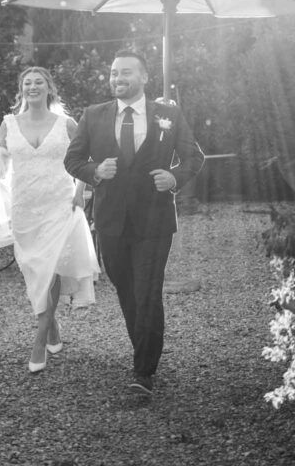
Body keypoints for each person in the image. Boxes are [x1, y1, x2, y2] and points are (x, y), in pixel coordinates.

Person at [64, 50, 204, 397]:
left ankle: (144, 370)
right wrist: (95, 172)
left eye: (125, 72)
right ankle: (143, 347)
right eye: (113, 73)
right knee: (126, 288)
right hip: (110, 221)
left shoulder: (168, 115)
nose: (117, 78)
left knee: (147, 291)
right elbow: (72, 159)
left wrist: (174, 178)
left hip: (154, 220)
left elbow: (194, 157)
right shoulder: (93, 115)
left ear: (143, 77)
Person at [0, 66, 99, 374]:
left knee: (51, 269)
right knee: (34, 271)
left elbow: (87, 160)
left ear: (49, 88)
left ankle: (40, 336)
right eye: (27, 83)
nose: (33, 86)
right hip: (25, 209)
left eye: (39, 82)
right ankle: (52, 324)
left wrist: (80, 191)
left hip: (59, 205)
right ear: (21, 90)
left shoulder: (66, 124)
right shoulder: (8, 124)